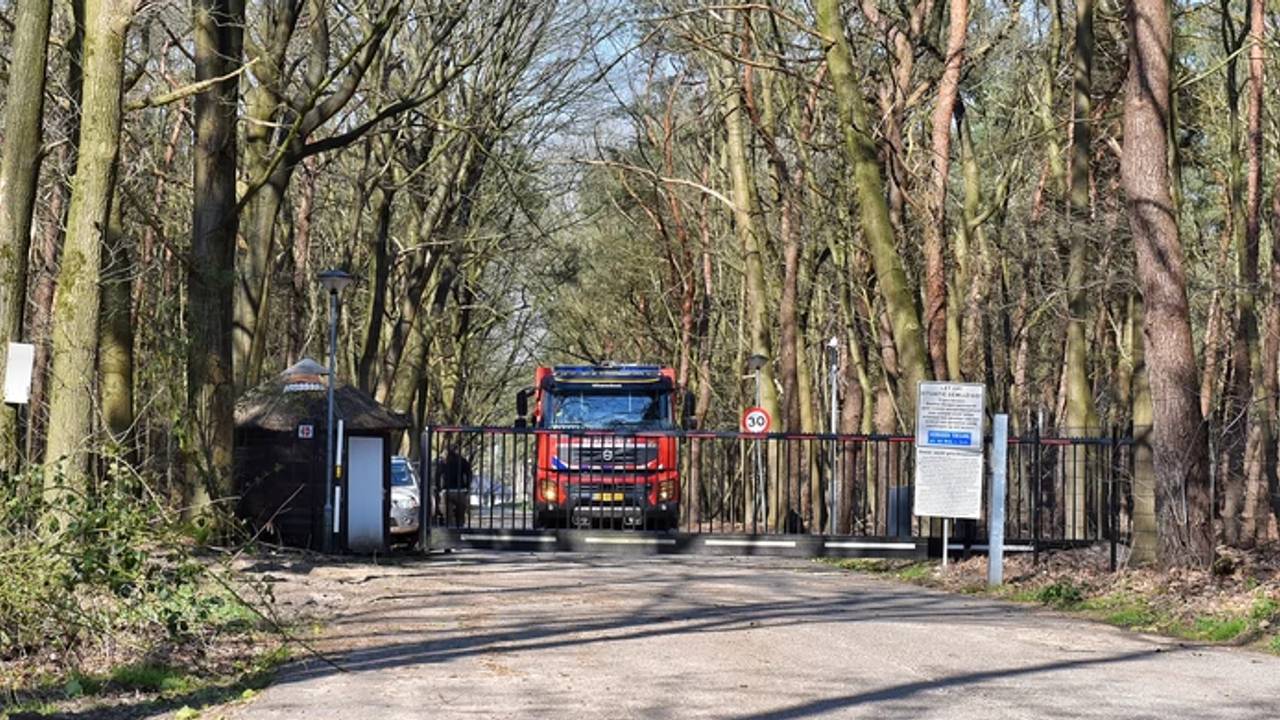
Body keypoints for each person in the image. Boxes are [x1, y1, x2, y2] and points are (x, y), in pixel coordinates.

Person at [436, 446, 473, 527]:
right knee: (460, 513)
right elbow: (469, 473)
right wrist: (467, 486)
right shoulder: (462, 461)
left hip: (447, 490)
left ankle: (450, 531)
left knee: (448, 514)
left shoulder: (444, 462)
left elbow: (438, 475)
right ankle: (460, 528)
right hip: (460, 490)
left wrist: (439, 489)